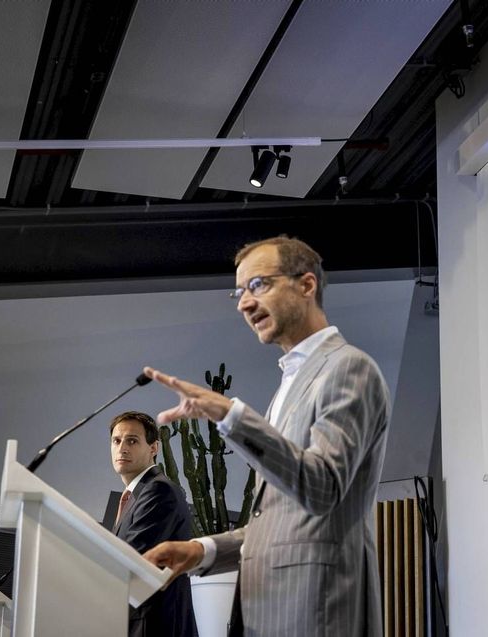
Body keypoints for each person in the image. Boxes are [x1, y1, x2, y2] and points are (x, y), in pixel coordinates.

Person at [141, 236, 390, 637]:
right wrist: (200, 551)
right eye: (239, 292)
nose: (243, 303)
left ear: (306, 285)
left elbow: (321, 489)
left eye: (258, 285)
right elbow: (278, 524)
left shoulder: (348, 369)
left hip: (316, 612)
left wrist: (232, 415)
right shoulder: (288, 386)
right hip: (270, 613)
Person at [109, 411, 199, 637]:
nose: (122, 448)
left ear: (154, 448)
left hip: (156, 627)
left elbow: (132, 559)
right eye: (116, 441)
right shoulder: (136, 496)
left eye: (132, 440)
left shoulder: (159, 490)